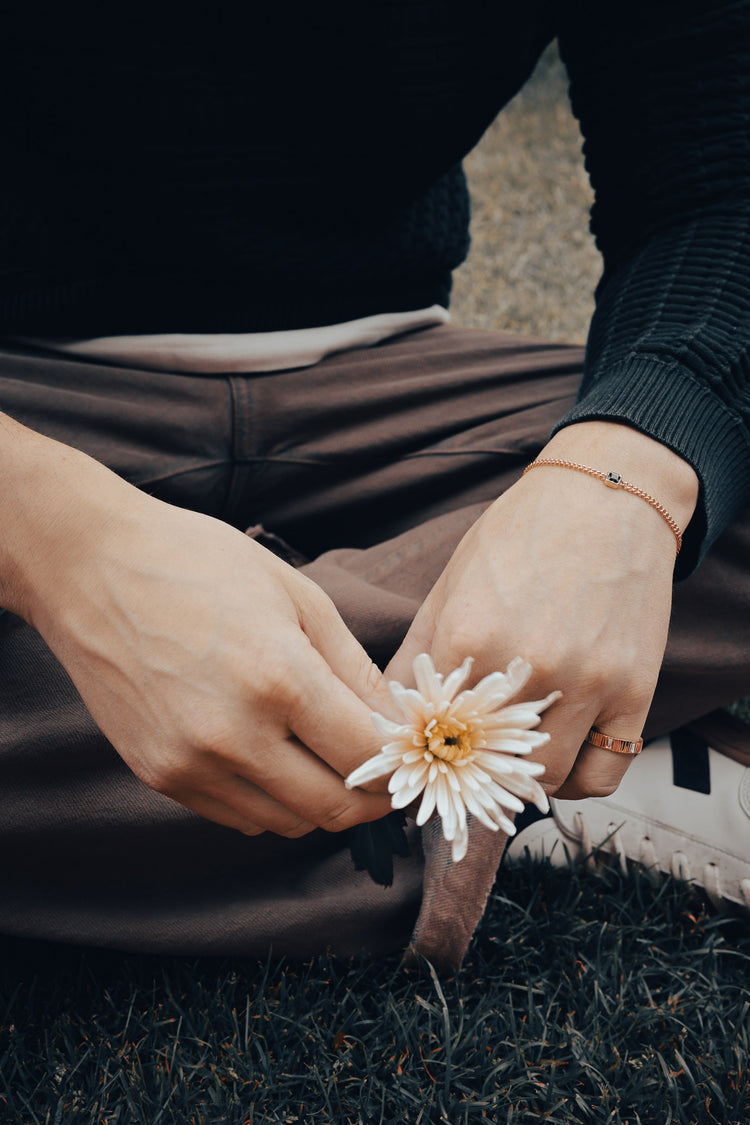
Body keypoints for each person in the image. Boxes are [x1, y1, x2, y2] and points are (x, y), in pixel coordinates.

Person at [1, 2, 748, 969]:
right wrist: (56, 541)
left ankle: (244, 748)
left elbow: (718, 177)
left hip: (399, 378)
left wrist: (622, 481)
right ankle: (509, 783)